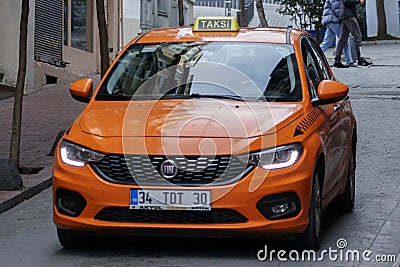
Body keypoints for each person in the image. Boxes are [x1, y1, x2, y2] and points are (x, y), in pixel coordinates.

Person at [334, 0, 372, 68]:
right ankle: (360, 59)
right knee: (357, 35)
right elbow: (347, 1)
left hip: (345, 14)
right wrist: (359, 1)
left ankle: (337, 60)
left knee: (343, 38)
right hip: (349, 15)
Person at [320, 0, 355, 67]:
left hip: (330, 20)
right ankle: (349, 61)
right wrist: (344, 17)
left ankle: (314, 55)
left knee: (327, 42)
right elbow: (336, 8)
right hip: (334, 20)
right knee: (344, 39)